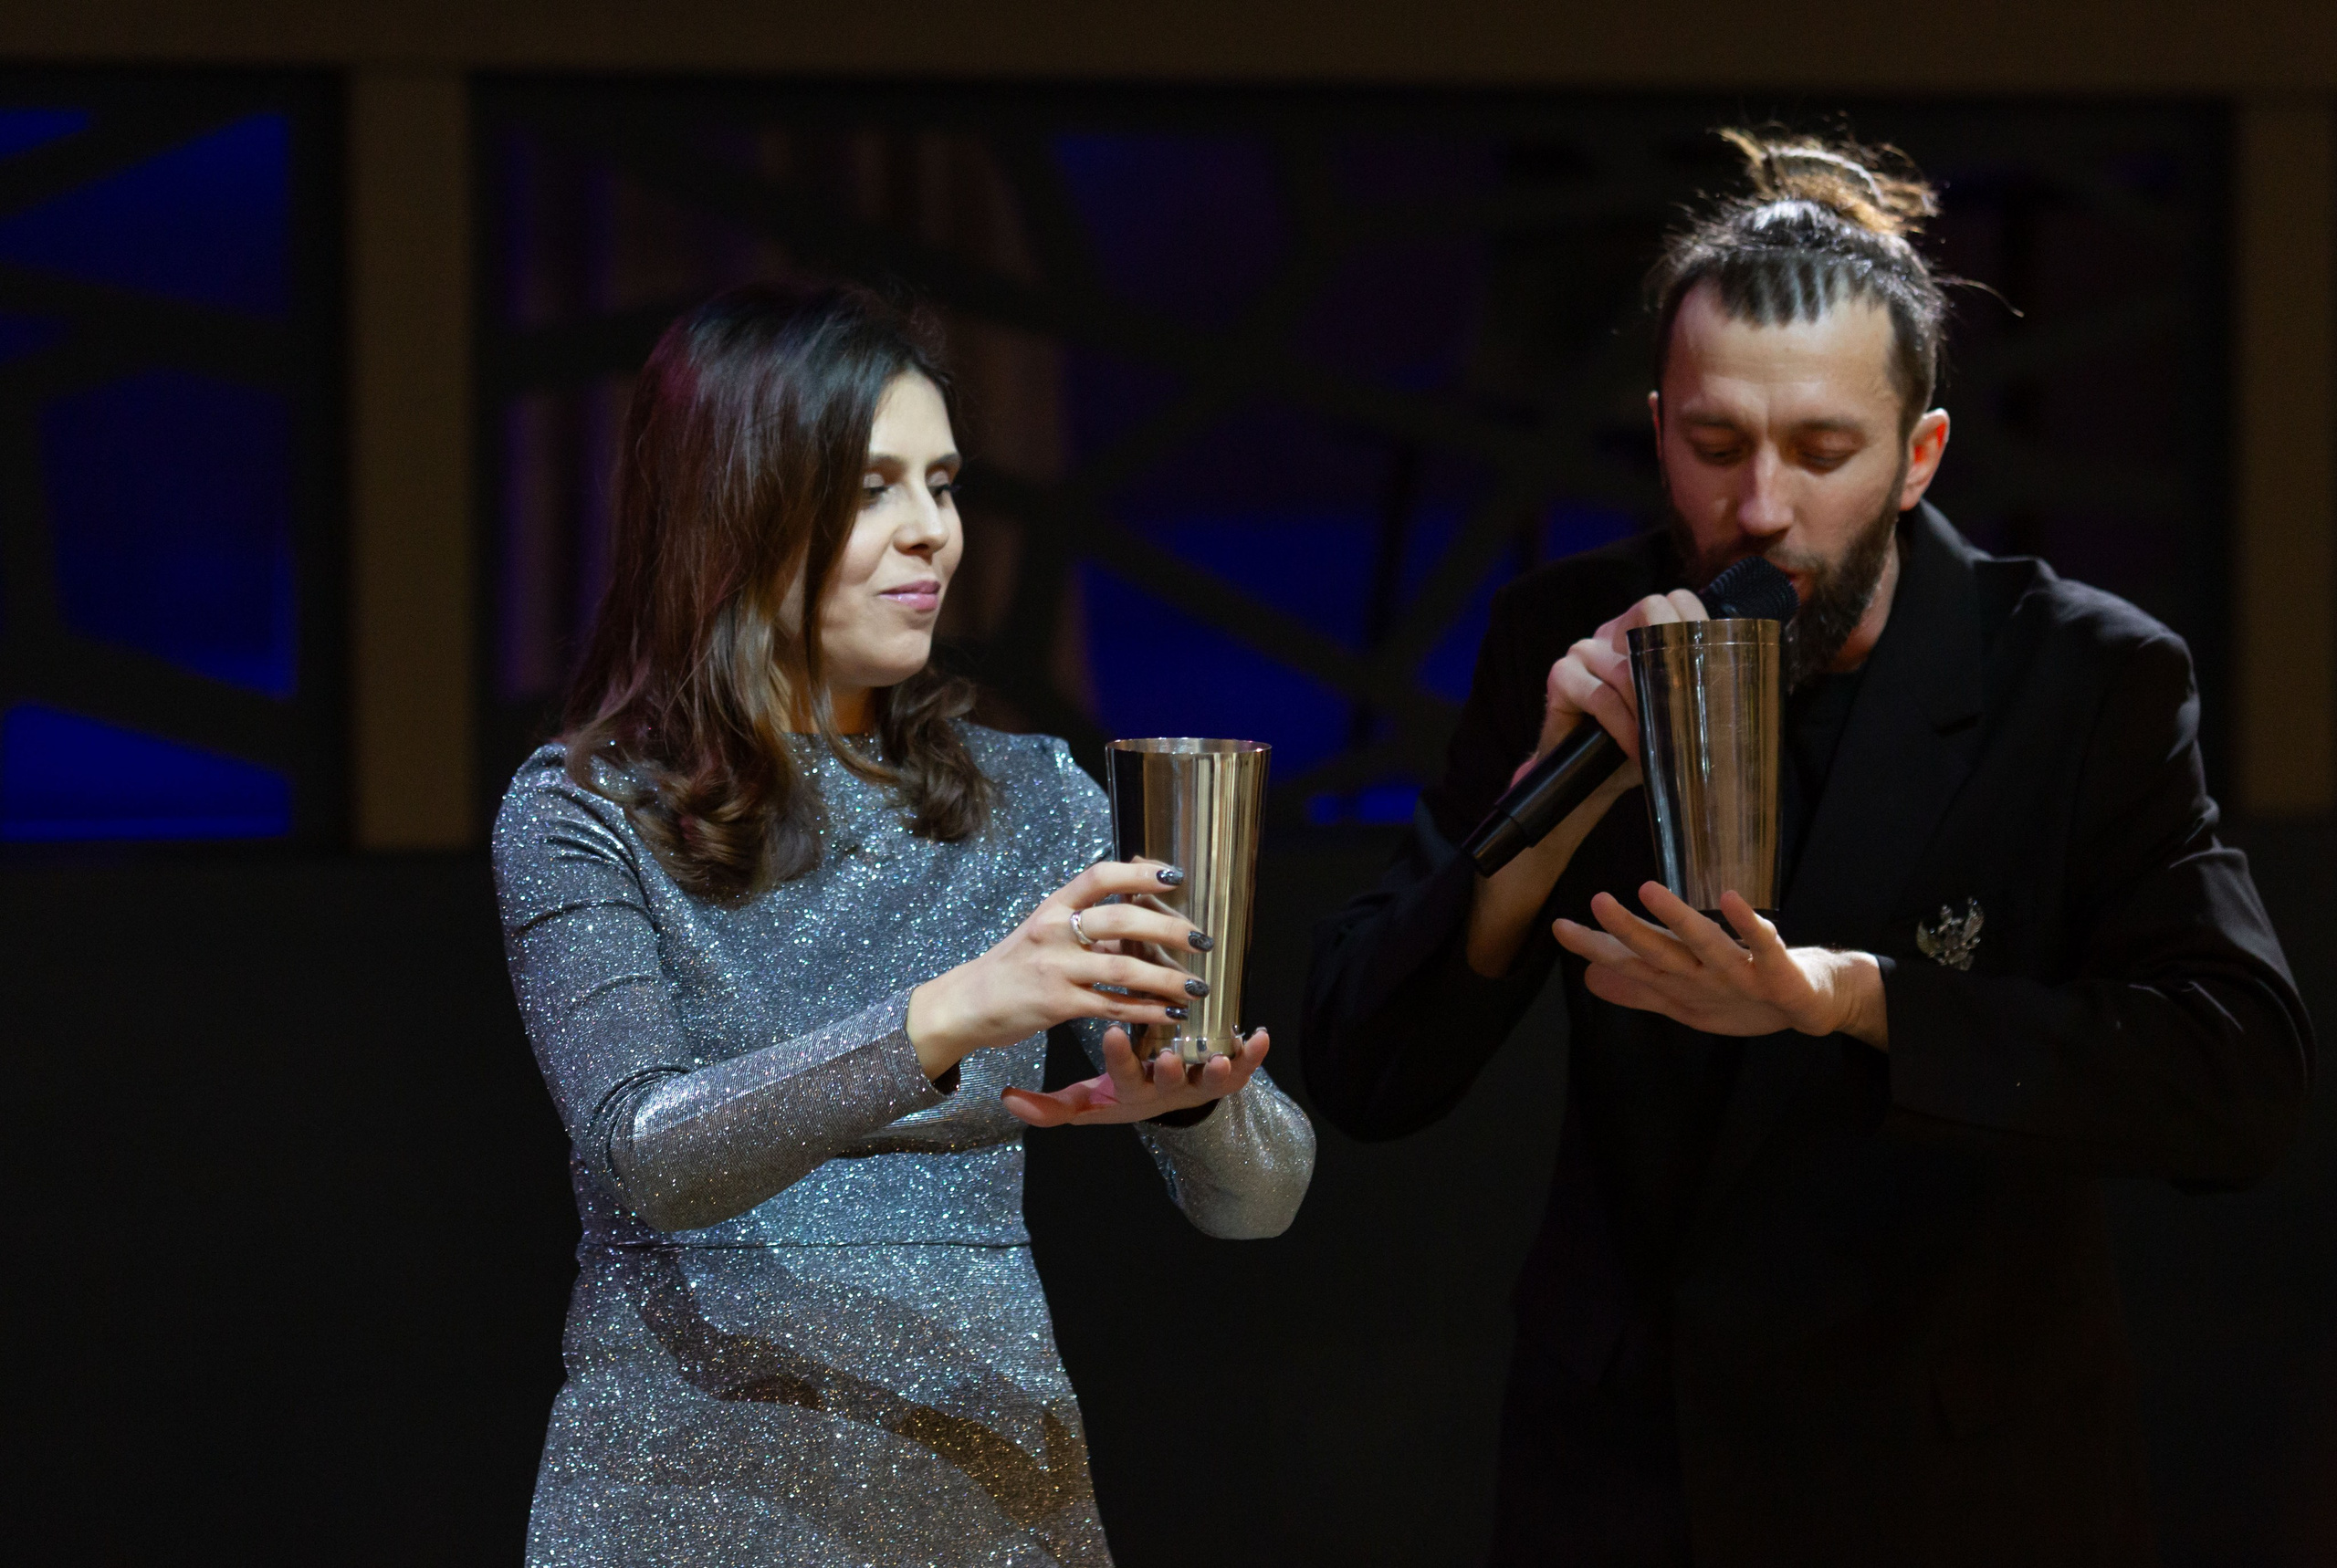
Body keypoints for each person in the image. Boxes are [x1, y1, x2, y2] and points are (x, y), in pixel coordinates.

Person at [1304, 131, 2311, 1565]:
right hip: (1636, 1470)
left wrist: (1852, 999)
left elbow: (2240, 1079)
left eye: (1822, 452)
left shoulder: (2082, 676)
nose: (1760, 507)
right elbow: (1364, 1062)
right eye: (1716, 447)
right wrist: (1551, 791)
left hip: (1954, 1474)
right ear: (1659, 432)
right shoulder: (1570, 634)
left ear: (1920, 454)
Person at [493, 282, 1315, 1566]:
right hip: (684, 1498)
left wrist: (1202, 1100)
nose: (932, 530)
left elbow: (1258, 1204)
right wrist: (956, 1010)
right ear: (737, 504)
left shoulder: (1033, 799)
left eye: (943, 483)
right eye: (873, 487)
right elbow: (646, 1153)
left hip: (987, 1495)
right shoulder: (583, 811)